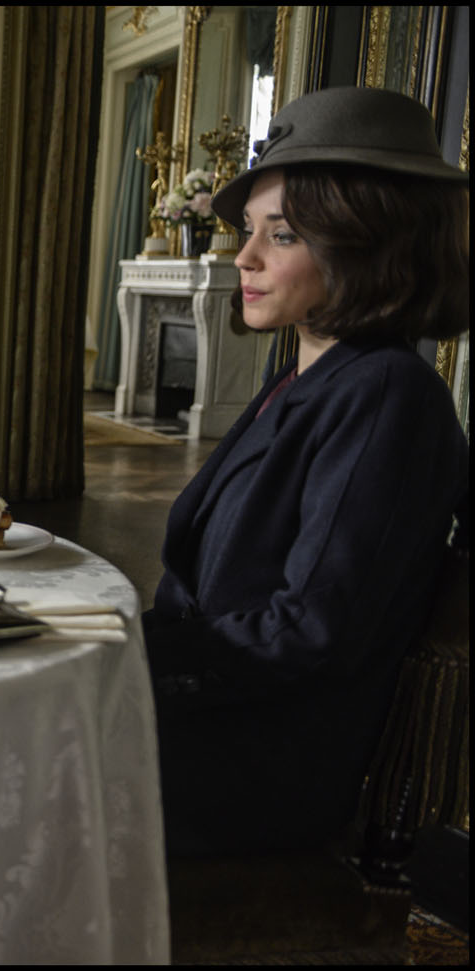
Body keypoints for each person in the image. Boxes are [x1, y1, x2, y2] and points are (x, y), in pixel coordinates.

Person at [141, 86, 469, 857]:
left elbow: (311, 631)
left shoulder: (387, 393)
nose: (244, 257)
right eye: (249, 229)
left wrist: (123, 660)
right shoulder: (307, 375)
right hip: (213, 715)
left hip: (256, 763)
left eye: (281, 234)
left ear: (369, 242)